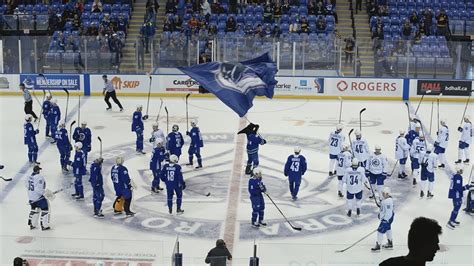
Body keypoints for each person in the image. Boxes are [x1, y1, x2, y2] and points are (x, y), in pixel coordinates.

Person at [26, 165, 50, 230]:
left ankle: (32, 224)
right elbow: (39, 189)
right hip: (38, 197)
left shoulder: (28, 176)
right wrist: (46, 194)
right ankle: (44, 225)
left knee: (34, 209)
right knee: (45, 209)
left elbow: (27, 186)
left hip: (31, 197)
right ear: (38, 170)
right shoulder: (39, 177)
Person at [372, 187, 394, 251]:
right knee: (388, 229)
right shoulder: (387, 200)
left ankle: (378, 246)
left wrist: (385, 220)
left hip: (386, 219)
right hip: (388, 219)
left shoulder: (387, 202)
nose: (382, 194)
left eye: (383, 193)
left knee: (380, 231)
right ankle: (390, 243)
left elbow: (388, 212)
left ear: (387, 194)